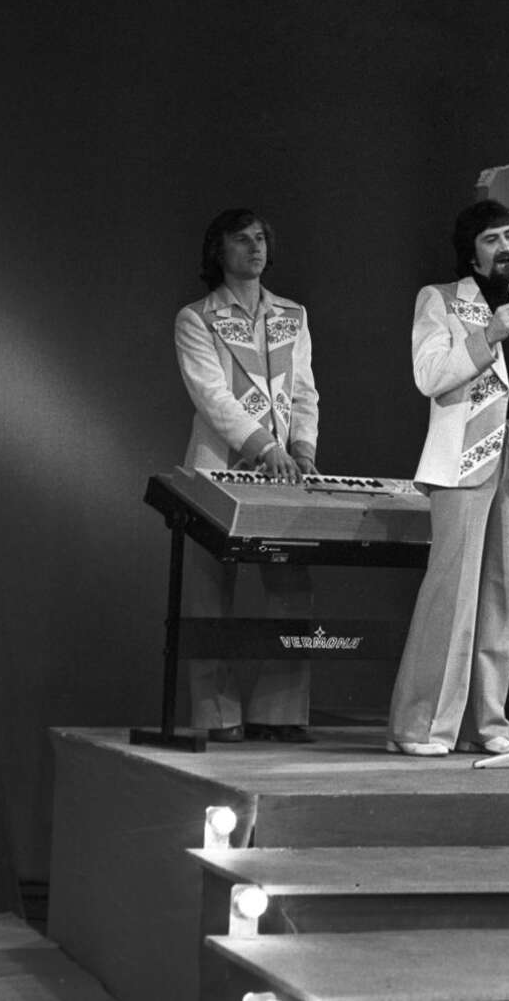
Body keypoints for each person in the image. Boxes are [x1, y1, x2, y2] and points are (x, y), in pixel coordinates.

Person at [386, 199, 509, 757]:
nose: (505, 246)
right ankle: (421, 726)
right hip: (461, 462)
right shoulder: (439, 300)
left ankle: (486, 725)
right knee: (451, 596)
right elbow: (430, 376)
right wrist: (488, 334)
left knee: (502, 600)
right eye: (491, 238)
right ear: (472, 251)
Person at [174, 207, 320, 744]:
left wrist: (302, 449)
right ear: (219, 250)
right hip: (219, 469)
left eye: (260, 238)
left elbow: (304, 391)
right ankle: (216, 714)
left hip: (285, 473)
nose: (255, 247)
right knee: (211, 594)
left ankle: (280, 712)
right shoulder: (196, 318)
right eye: (241, 239)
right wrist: (265, 448)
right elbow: (212, 397)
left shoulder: (293, 315)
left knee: (291, 586)